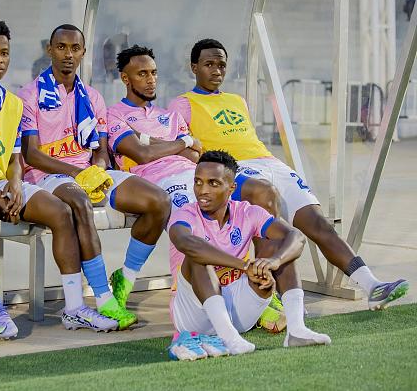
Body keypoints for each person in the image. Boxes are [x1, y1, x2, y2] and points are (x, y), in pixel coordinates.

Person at [168, 38, 409, 309]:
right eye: (209, 64)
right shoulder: (182, 104)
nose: (216, 70)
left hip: (270, 163)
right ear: (194, 67)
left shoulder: (237, 101)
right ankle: (268, 294)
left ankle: (372, 285)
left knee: (318, 223)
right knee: (265, 202)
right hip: (233, 168)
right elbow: (181, 148)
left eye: (221, 65)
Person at [0, 18, 118, 335]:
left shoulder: (13, 102)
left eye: (4, 53)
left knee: (61, 212)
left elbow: (14, 160)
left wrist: (16, 185)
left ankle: (74, 308)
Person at [107, 44, 286, 333]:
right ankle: (190, 302)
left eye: (154, 73)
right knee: (189, 219)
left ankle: (251, 291)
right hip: (154, 181)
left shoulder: (169, 116)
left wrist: (163, 144)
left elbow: (194, 153)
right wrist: (180, 143)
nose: (151, 80)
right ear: (125, 78)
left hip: (192, 175)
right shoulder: (115, 115)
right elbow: (142, 155)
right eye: (142, 74)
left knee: (233, 213)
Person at [18, 24, 171, 329]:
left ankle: (125, 278)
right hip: (48, 175)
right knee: (79, 201)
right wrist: (80, 174)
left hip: (88, 172)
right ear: (50, 50)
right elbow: (31, 155)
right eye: (61, 47)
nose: (68, 54)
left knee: (159, 201)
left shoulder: (92, 96)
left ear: (83, 53)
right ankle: (103, 299)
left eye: (75, 48)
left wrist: (98, 169)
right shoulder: (29, 95)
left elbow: (100, 150)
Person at [167, 150, 330, 360]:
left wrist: (273, 262)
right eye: (198, 182)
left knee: (280, 248)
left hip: (237, 309)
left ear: (231, 188)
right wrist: (244, 266)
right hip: (193, 313)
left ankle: (297, 330)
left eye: (213, 183)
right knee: (197, 257)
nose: (202, 190)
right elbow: (186, 243)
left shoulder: (246, 212)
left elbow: (296, 237)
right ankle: (229, 338)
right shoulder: (185, 214)